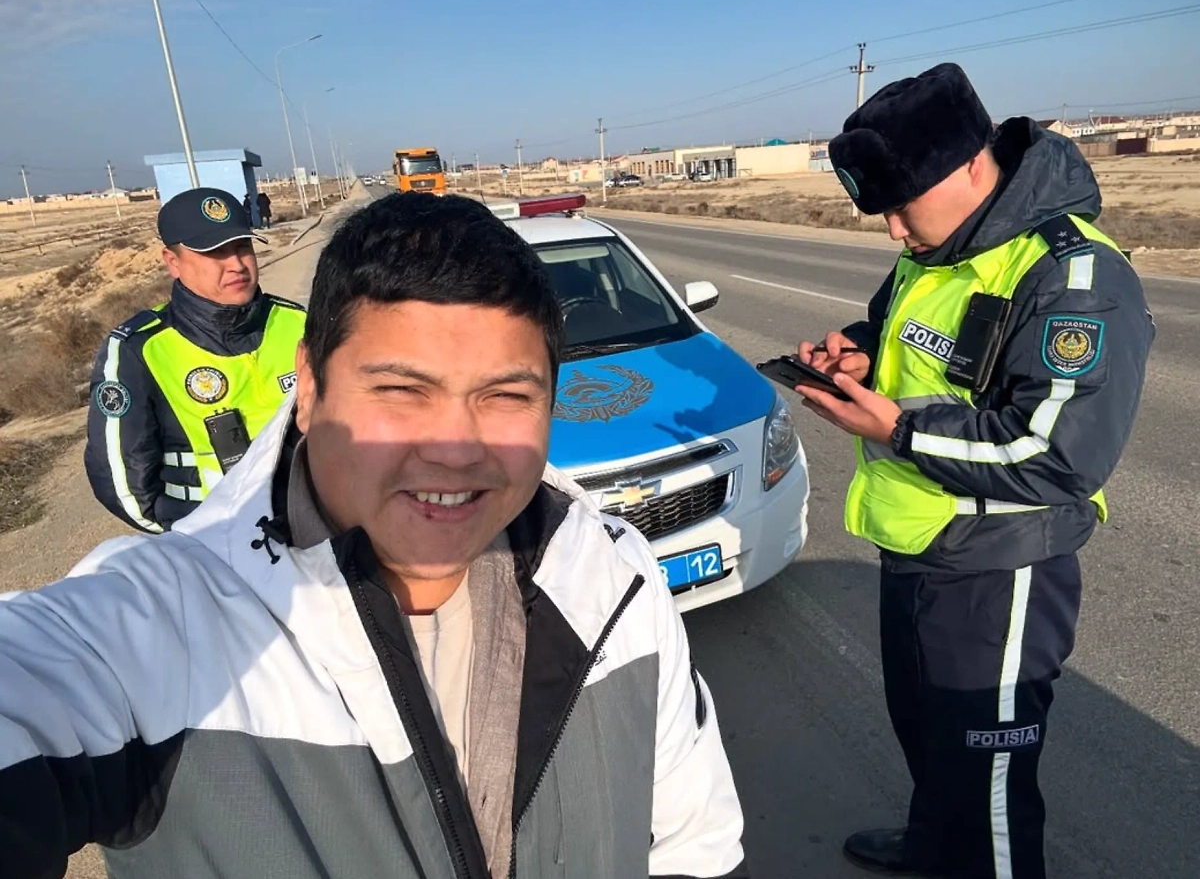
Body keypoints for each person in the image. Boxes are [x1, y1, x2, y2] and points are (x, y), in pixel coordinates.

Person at [0, 192, 747, 879]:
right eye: (400, 390)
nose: (456, 448)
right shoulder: (155, 628)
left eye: (505, 395)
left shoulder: (616, 576)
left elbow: (693, 844)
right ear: (311, 387)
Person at [794, 63, 1154, 878]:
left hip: (999, 569)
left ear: (969, 164)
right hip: (917, 545)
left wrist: (898, 427)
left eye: (899, 207)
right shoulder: (938, 245)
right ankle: (935, 843)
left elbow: (1059, 455)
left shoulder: (1074, 279)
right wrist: (855, 349)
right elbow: (903, 333)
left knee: (988, 785)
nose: (892, 231)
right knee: (931, 738)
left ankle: (970, 851)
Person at [84, 187, 306, 533]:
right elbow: (123, 484)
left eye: (242, 247)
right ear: (172, 262)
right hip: (214, 543)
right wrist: (193, 540)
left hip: (312, 530)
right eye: (214, 253)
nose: (236, 265)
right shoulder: (139, 350)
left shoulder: (298, 323)